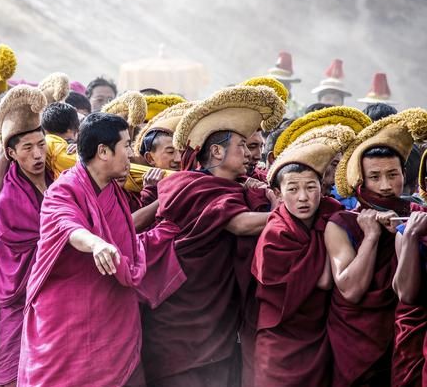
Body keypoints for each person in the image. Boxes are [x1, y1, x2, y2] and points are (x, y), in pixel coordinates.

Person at [141, 85, 285, 386]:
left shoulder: (237, 186)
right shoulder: (196, 186)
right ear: (216, 151)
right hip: (183, 315)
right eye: (241, 148)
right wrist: (285, 213)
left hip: (216, 316)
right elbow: (240, 224)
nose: (249, 155)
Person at [18, 112, 148, 386]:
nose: (131, 154)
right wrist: (96, 243)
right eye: (126, 146)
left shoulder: (113, 190)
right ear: (103, 151)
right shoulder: (63, 190)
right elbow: (68, 226)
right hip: (68, 324)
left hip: (113, 321)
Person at [326, 109, 427, 386]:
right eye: (375, 177)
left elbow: (409, 291)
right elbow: (351, 290)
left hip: (404, 335)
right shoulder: (342, 222)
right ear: (361, 180)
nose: (385, 186)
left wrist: (407, 235)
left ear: (403, 174)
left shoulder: (416, 214)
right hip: (356, 341)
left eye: (392, 174)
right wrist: (370, 236)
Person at [252, 124, 356, 386]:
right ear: (277, 193)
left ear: (322, 188)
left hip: (318, 335)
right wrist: (326, 233)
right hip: (281, 340)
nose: (303, 198)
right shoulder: (275, 234)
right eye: (293, 189)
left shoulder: (331, 212)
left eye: (310, 188)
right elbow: (322, 281)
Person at [0, 86, 53, 386]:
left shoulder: (59, 181)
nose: (38, 154)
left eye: (41, 144)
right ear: (11, 153)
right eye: (27, 147)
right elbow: (38, 248)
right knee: (13, 374)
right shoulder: (9, 200)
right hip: (20, 298)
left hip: (56, 298)